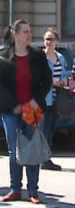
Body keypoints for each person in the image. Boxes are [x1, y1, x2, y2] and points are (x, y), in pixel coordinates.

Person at [0, 20, 51, 204]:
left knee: (32, 148)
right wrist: (13, 105)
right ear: (16, 34)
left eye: (30, 31)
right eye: (25, 31)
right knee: (15, 151)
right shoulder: (4, 56)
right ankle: (15, 188)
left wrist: (36, 100)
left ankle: (33, 190)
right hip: (12, 111)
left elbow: (47, 81)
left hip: (32, 108)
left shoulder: (38, 55)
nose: (29, 35)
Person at [41, 27, 70, 171]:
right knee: (44, 129)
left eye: (51, 39)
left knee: (51, 129)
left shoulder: (60, 58)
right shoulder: (41, 58)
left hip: (57, 99)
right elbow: (38, 78)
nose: (49, 42)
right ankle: (43, 159)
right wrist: (53, 82)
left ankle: (47, 158)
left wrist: (63, 81)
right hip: (44, 100)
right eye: (46, 39)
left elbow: (63, 74)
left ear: (57, 42)